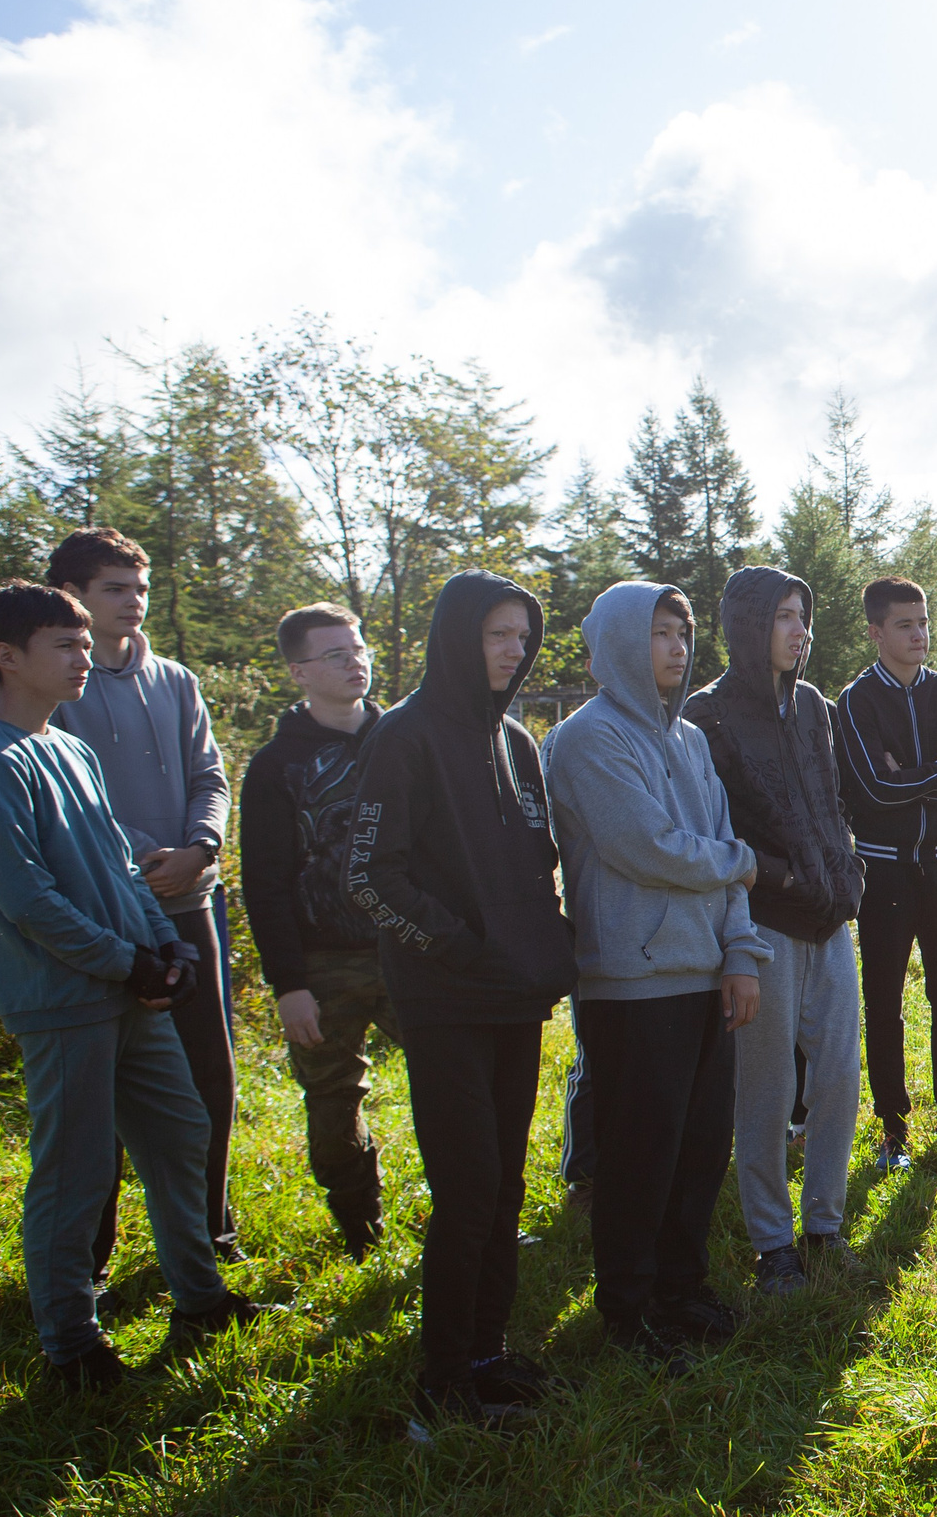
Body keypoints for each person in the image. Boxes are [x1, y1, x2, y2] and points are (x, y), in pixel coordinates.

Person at [0, 582, 267, 1392]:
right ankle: (71, 1347)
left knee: (179, 1133)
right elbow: (27, 900)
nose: (81, 656)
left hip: (132, 989)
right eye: (63, 645)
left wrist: (164, 943)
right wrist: (123, 960)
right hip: (63, 1001)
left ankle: (200, 1299)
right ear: (8, 657)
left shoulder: (69, 750)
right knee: (75, 1171)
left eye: (81, 641)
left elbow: (118, 868)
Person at [347, 569, 577, 1426]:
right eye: (496, 635)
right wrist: (456, 943)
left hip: (516, 999)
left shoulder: (517, 743)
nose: (514, 652)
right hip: (446, 1002)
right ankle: (440, 1387)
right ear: (456, 638)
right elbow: (367, 876)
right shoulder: (403, 737)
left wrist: (542, 945)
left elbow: (533, 862)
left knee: (508, 1187)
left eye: (523, 637)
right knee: (469, 1188)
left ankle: (489, 1354)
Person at [549, 583, 769, 1362]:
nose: (676, 647)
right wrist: (742, 866)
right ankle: (630, 1311)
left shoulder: (690, 742)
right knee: (640, 1157)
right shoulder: (587, 740)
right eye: (657, 634)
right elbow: (643, 846)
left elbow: (716, 842)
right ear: (615, 643)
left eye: (682, 632)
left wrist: (741, 955)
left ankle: (685, 1291)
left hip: (707, 977)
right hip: (632, 985)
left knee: (701, 1149)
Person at [44, 529, 239, 1271]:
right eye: (115, 589)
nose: (133, 603)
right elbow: (71, 800)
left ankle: (212, 1233)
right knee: (104, 1090)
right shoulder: (59, 685)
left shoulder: (177, 680)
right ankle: (91, 1256)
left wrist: (202, 847)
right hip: (105, 909)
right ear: (76, 599)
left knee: (209, 1076)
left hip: (193, 897)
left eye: (140, 588)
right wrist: (138, 859)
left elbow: (210, 776)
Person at [681, 566, 868, 1294]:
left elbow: (830, 799)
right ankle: (772, 1244)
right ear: (749, 626)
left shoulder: (815, 705)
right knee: (763, 1088)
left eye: (803, 616)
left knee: (838, 1077)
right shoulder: (709, 716)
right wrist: (782, 879)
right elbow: (713, 831)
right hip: (762, 927)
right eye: (785, 618)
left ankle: (825, 1227)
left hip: (832, 921)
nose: (800, 631)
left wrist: (848, 868)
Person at [240, 603, 396, 1260]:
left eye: (357, 647)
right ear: (298, 671)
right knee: (333, 1103)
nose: (354, 660)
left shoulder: (402, 741)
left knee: (456, 1086)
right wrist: (289, 984)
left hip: (409, 952)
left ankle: (471, 1215)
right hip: (323, 964)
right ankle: (360, 1230)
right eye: (334, 654)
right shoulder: (275, 767)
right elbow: (265, 883)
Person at [833, 577, 937, 1169]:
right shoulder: (855, 702)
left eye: (923, 621)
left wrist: (916, 775)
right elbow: (871, 790)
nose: (919, 634)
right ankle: (893, 1130)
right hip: (882, 871)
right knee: (884, 998)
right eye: (904, 624)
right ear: (877, 632)